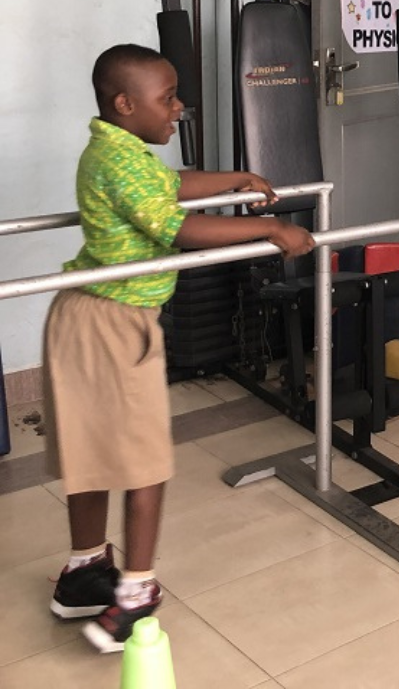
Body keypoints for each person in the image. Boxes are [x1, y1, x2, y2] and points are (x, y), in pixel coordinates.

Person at [44, 43, 315, 653]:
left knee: (92, 455)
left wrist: (238, 179)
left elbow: (175, 187)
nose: (179, 109)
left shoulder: (114, 151)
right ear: (124, 103)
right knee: (145, 463)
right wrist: (273, 228)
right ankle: (135, 596)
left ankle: (83, 572)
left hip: (83, 313)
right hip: (116, 324)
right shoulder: (121, 161)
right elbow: (181, 227)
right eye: (167, 99)